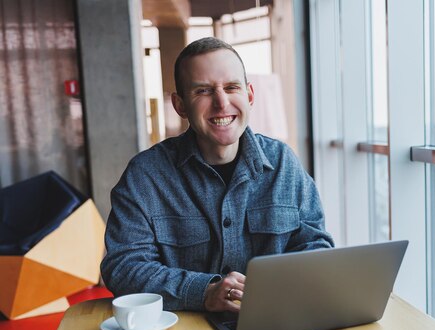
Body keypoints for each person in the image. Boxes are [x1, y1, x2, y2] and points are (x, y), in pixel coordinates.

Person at [100, 37, 334, 313]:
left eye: (231, 87)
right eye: (203, 91)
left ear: (249, 95)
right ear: (180, 105)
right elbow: (124, 267)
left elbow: (315, 245)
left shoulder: (283, 163)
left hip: (274, 322)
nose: (222, 103)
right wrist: (205, 291)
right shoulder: (145, 175)